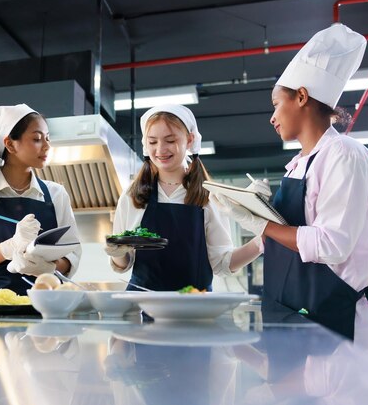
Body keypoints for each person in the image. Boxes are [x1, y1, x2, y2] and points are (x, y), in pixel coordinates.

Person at [213, 24, 368, 361]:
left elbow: (332, 244)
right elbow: (290, 244)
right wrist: (261, 210)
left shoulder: (344, 154)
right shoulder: (298, 165)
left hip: (339, 328)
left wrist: (261, 224)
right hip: (298, 319)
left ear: (301, 96)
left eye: (275, 104)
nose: (272, 118)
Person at [104, 104, 266, 291]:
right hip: (141, 307)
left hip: (193, 307)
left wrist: (261, 241)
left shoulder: (208, 196)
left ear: (189, 140)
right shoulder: (133, 195)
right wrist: (116, 253)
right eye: (153, 142)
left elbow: (222, 264)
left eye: (170, 140)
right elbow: (124, 264)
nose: (160, 149)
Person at [0, 104, 81, 294]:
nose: (47, 146)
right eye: (37, 138)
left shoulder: (56, 194)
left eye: (48, 138)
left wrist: (49, 267)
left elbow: (72, 255)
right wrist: (8, 247)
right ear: (10, 144)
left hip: (49, 305)